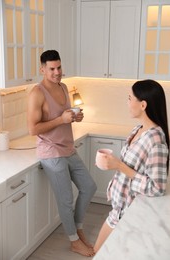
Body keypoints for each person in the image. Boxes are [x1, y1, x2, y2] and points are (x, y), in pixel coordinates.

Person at [27, 50, 97, 257]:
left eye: (59, 67)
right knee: (66, 200)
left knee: (89, 186)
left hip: (68, 147)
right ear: (42, 69)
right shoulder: (36, 93)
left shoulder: (64, 86)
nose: (57, 72)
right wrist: (61, 120)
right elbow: (33, 129)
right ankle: (74, 241)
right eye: (52, 69)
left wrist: (75, 118)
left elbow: (64, 116)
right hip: (51, 152)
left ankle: (78, 228)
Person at [94, 79, 169, 253]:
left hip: (130, 214)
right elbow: (130, 166)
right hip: (118, 211)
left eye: (130, 98)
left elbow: (157, 188)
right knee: (97, 250)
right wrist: (111, 163)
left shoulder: (156, 140)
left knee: (100, 252)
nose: (127, 103)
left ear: (143, 105)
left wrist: (119, 166)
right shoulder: (137, 129)